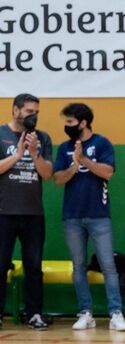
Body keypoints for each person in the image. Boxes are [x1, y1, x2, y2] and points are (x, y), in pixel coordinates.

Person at [53, 103, 125, 331]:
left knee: (108, 265)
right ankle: (86, 313)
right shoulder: (64, 148)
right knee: (78, 266)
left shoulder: (101, 143)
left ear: (83, 122)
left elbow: (107, 172)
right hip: (72, 216)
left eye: (70, 121)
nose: (67, 126)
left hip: (99, 216)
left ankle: (116, 313)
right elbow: (58, 179)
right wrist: (74, 165)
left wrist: (83, 159)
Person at [0, 93, 53, 330]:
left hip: (33, 213)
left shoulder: (42, 138)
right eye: (30, 111)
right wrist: (18, 154)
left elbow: (47, 173)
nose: (34, 116)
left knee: (34, 266)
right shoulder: (1, 134)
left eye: (37, 112)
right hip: (4, 212)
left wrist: (33, 154)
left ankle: (34, 314)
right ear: (15, 110)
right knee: (1, 265)